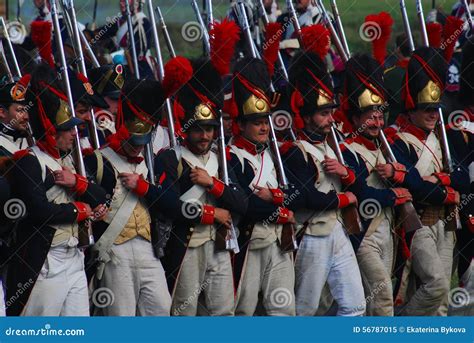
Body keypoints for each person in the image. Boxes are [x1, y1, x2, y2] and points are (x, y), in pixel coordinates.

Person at [6, 63, 106, 316]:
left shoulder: (72, 161)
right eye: (67, 129)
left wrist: (79, 183)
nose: (74, 133)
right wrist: (79, 210)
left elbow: (102, 196)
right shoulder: (29, 161)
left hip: (75, 256)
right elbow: (38, 210)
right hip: (46, 261)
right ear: (52, 130)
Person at [159, 59, 247, 316]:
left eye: (209, 129)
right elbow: (168, 206)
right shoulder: (170, 158)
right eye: (198, 129)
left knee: (223, 313)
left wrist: (214, 185)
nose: (205, 136)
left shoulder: (223, 158)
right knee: (184, 315)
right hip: (187, 246)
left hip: (220, 245)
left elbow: (243, 202)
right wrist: (210, 214)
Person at [282, 44, 365, 316]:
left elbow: (360, 184)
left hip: (337, 230)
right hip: (311, 234)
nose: (331, 119)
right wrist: (344, 198)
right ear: (306, 117)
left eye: (331, 112)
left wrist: (347, 174)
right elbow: (305, 198)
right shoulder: (295, 151)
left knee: (355, 305)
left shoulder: (333, 145)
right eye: (323, 114)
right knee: (306, 310)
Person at [387, 47, 469, 316]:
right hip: (419, 223)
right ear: (411, 108)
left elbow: (461, 179)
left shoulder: (442, 139)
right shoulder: (399, 142)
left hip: (447, 225)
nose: (433, 114)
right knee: (429, 289)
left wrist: (443, 180)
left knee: (442, 303)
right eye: (426, 109)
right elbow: (415, 186)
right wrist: (447, 191)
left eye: (435, 108)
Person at [84, 78, 175, 316]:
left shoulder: (151, 163)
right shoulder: (97, 160)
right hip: (114, 249)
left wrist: (145, 188)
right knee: (120, 316)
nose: (137, 147)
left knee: (161, 310)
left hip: (148, 247)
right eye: (134, 141)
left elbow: (172, 204)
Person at [340, 54, 413, 316]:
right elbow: (360, 192)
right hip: (365, 234)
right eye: (370, 117)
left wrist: (397, 173)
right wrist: (392, 196)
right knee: (381, 297)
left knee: (376, 302)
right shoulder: (347, 151)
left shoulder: (388, 148)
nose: (377, 123)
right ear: (357, 118)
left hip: (388, 232)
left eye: (380, 117)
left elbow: (413, 179)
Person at [229, 58, 302, 316]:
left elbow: (299, 192)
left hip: (278, 242)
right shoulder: (232, 157)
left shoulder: (275, 154)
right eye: (256, 122)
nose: (263, 127)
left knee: (284, 310)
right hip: (249, 241)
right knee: (244, 310)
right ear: (240, 124)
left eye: (265, 120)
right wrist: (282, 211)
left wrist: (276, 195)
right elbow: (247, 204)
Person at [0, 76, 31, 156]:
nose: (26, 117)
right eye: (20, 111)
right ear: (2, 112)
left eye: (26, 110)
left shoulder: (27, 139)